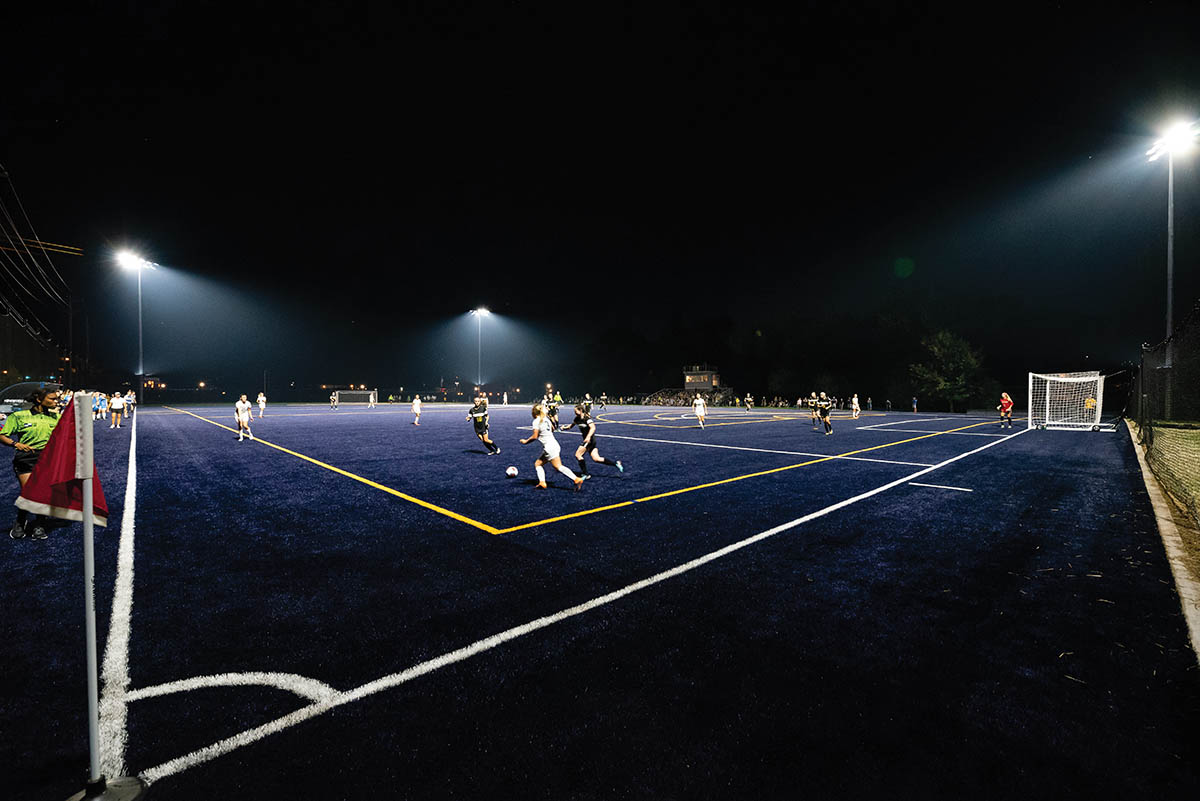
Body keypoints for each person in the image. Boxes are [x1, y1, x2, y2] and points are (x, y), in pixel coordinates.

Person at [0, 388, 61, 539]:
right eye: (52, 399)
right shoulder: (19, 416)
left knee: (43, 492)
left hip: (47, 459)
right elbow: (2, 435)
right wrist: (16, 444)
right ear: (39, 399)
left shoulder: (57, 417)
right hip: (26, 458)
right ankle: (21, 521)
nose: (56, 402)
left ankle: (40, 524)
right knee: (28, 492)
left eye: (56, 399)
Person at [520, 403, 583, 490]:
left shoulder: (536, 421)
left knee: (558, 466)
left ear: (534, 413)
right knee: (538, 463)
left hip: (549, 447)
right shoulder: (546, 419)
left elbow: (535, 436)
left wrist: (525, 441)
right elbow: (553, 429)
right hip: (554, 444)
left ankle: (576, 479)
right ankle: (542, 482)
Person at [561, 404, 623, 479]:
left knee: (578, 455)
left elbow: (593, 428)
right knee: (596, 458)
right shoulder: (577, 419)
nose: (574, 413)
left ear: (580, 410)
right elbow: (570, 426)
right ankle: (616, 463)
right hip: (588, 440)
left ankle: (585, 474)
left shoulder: (587, 419)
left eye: (575, 411)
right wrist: (564, 428)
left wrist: (588, 437)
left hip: (589, 440)